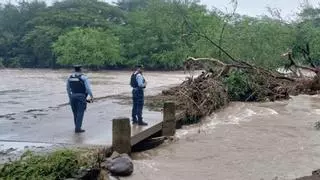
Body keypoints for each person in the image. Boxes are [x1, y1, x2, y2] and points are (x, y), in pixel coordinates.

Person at [66, 65, 94, 133]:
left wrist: (70, 98)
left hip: (73, 96)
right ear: (81, 69)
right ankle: (78, 128)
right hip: (81, 96)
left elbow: (68, 89)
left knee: (75, 113)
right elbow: (88, 88)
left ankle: (77, 126)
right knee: (80, 113)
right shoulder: (84, 77)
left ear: (74, 70)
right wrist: (91, 96)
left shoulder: (70, 77)